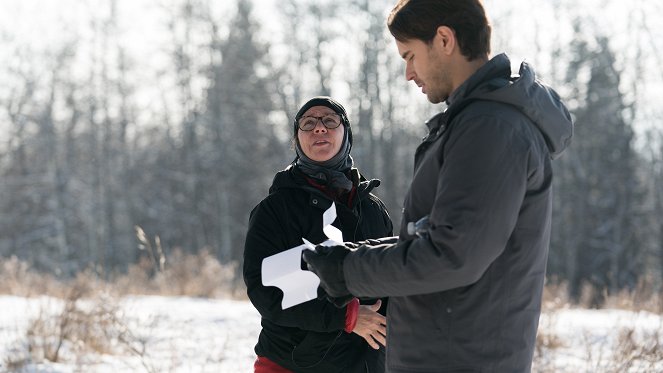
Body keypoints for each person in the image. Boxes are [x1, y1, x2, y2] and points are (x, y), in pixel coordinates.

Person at [303, 1, 574, 372]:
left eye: (410, 55)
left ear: (444, 39)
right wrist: (349, 256)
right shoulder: (475, 124)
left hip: (460, 358)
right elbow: (438, 236)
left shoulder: (491, 130)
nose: (408, 73)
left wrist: (349, 270)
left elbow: (452, 254)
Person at [243, 96, 393, 373]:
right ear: (297, 140)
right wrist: (347, 317)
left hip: (365, 364)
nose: (319, 128)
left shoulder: (372, 209)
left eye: (329, 120)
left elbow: (392, 281)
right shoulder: (275, 210)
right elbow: (264, 291)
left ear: (346, 132)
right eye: (308, 123)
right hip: (291, 363)